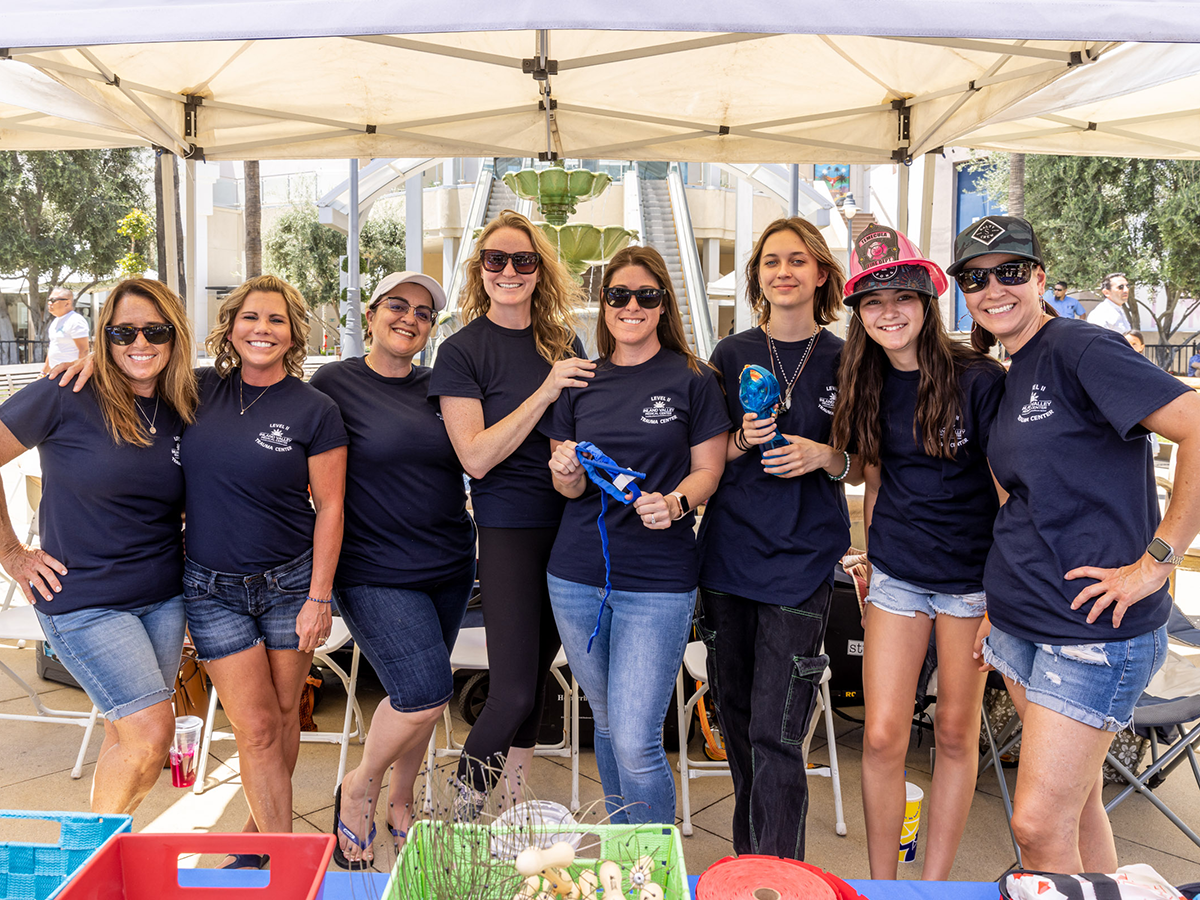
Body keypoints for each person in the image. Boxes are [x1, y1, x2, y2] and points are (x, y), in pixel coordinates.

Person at [950, 215, 1200, 874]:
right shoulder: (1013, 371)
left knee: (1035, 825)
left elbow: (1197, 427)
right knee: (1078, 806)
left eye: (1009, 271)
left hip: (1091, 634)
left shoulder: (1080, 347)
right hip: (1020, 622)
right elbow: (1023, 507)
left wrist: (1158, 561)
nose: (993, 287)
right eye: (976, 277)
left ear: (1039, 277)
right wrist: (993, 611)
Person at [830, 226, 1006, 880]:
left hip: (971, 585)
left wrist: (1003, 599)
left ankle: (932, 890)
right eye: (873, 302)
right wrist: (868, 559)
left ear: (928, 301)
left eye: (903, 295)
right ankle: (884, 888)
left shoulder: (979, 380)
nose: (889, 311)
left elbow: (1009, 497)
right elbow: (874, 481)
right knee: (881, 737)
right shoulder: (867, 381)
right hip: (898, 578)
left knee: (956, 737)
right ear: (860, 315)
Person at [542, 246, 729, 824]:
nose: (631, 305)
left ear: (664, 304)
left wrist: (674, 504)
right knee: (605, 720)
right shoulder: (579, 379)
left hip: (658, 581)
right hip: (575, 578)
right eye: (618, 295)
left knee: (636, 736)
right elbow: (567, 490)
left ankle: (653, 864)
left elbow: (710, 471)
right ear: (603, 305)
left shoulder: (694, 378)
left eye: (646, 295)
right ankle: (628, 858)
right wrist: (565, 472)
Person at [0, 278, 197, 814]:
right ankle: (92, 866)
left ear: (175, 336)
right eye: (123, 331)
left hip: (162, 598)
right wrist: (12, 553)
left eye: (155, 330)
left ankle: (105, 858)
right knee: (151, 734)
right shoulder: (66, 392)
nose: (140, 342)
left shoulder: (184, 403)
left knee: (129, 739)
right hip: (84, 599)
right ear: (104, 337)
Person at [693, 217, 854, 860]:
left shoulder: (852, 357)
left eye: (796, 260)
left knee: (778, 731)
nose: (782, 271)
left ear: (820, 273)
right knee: (735, 722)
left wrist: (824, 455)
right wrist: (739, 442)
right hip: (728, 559)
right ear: (758, 276)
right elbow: (703, 454)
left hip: (802, 562)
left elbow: (869, 462)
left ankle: (777, 873)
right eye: (769, 262)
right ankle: (748, 861)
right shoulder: (730, 355)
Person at [309, 272, 475, 868]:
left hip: (451, 563)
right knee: (424, 691)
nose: (410, 318)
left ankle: (402, 802)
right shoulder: (334, 383)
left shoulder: (442, 386)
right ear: (372, 313)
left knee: (423, 697)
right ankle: (360, 786)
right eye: (398, 306)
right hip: (373, 567)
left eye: (425, 313)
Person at [183, 275, 347, 867]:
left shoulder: (315, 409)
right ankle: (283, 861)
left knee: (283, 716)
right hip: (211, 589)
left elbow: (330, 507)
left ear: (293, 333)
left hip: (289, 584)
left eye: (276, 320)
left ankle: (258, 832)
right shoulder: (195, 390)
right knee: (252, 727)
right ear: (231, 327)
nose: (263, 329)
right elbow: (127, 380)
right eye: (251, 317)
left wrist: (318, 597)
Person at [429, 210, 591, 804]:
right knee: (513, 692)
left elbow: (575, 431)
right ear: (480, 271)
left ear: (540, 270)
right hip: (509, 529)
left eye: (523, 260)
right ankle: (455, 819)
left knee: (536, 684)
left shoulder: (562, 342)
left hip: (569, 523)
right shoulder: (461, 351)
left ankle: (515, 812)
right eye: (496, 260)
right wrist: (546, 388)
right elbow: (475, 456)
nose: (509, 271)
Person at [42, 288, 90, 374]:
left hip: (69, 374)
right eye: (49, 300)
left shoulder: (75, 320)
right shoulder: (56, 321)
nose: (49, 303)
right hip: (54, 373)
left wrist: (78, 374)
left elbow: (84, 351)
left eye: (53, 300)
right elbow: (53, 348)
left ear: (67, 303)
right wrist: (43, 372)